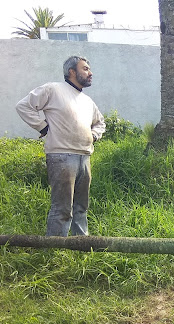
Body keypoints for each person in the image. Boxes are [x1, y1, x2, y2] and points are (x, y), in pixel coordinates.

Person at [16, 55, 106, 237]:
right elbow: (23, 106)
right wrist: (43, 127)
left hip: (84, 157)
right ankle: (55, 248)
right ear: (72, 72)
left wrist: (94, 135)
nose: (90, 73)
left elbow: (100, 122)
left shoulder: (87, 101)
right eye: (85, 69)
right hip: (61, 156)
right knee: (62, 209)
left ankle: (81, 243)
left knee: (81, 207)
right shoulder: (53, 89)